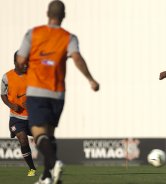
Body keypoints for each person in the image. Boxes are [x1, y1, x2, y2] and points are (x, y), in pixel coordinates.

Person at [16, 0, 99, 183]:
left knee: (38, 135)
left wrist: (24, 66)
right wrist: (90, 79)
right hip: (57, 93)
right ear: (64, 16)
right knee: (50, 136)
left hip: (37, 91)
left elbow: (21, 60)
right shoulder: (69, 37)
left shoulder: (33, 33)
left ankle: (54, 163)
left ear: (47, 13)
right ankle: (47, 177)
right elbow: (77, 58)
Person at [1, 51, 36, 177]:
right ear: (15, 62)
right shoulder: (6, 77)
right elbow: (3, 94)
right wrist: (11, 105)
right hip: (17, 117)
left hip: (33, 117)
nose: (26, 64)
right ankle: (32, 169)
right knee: (22, 139)